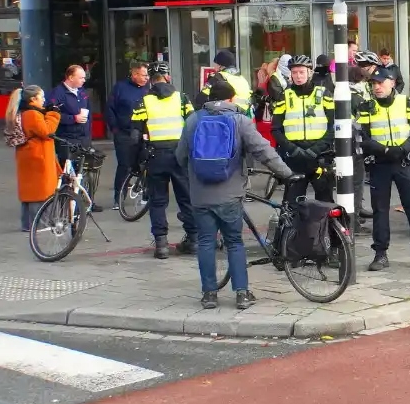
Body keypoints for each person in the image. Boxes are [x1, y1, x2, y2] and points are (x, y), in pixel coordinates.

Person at [177, 78, 297, 311]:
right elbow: (263, 150)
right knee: (234, 242)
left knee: (205, 242)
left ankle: (209, 295)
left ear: (210, 98)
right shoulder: (240, 121)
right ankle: (242, 294)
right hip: (230, 195)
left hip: (201, 195)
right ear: (231, 99)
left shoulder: (193, 120)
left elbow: (180, 157)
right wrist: (286, 173)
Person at [358, 66, 410, 271]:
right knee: (380, 210)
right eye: (374, 84)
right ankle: (380, 254)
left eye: (381, 83)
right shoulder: (366, 106)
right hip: (380, 164)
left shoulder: (406, 102)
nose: (377, 87)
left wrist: (400, 149)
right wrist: (384, 149)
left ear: (392, 83)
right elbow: (362, 138)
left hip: (403, 161)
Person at [130, 63, 196, 258]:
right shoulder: (182, 98)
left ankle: (161, 245)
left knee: (157, 201)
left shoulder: (144, 101)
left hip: (155, 156)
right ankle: (194, 240)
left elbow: (134, 137)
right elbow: (193, 126)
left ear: (151, 79)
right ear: (167, 77)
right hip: (179, 155)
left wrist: (135, 162)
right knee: (186, 198)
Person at [271, 55, 335, 204]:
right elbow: (276, 129)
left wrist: (316, 149)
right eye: (294, 72)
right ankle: (291, 228)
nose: (298, 76)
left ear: (310, 72)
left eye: (301, 72)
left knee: (325, 204)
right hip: (295, 158)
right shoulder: (284, 96)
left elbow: (333, 127)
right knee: (291, 204)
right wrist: (293, 150)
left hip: (319, 157)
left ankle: (325, 228)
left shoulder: (323, 93)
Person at [47, 65, 102, 211]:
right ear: (70, 77)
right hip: (67, 139)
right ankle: (67, 203)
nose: (84, 80)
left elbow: (88, 114)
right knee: (68, 172)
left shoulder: (82, 92)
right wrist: (73, 118)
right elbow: (52, 116)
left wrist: (88, 134)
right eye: (81, 77)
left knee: (86, 171)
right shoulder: (57, 93)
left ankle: (87, 201)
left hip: (83, 138)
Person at [10, 86, 61, 232]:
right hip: (38, 157)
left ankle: (28, 224)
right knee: (41, 192)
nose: (44, 99)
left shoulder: (25, 112)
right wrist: (53, 114)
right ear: (33, 99)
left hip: (28, 156)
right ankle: (40, 224)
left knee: (29, 193)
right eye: (41, 97)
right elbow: (46, 131)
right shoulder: (32, 114)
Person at [106, 62, 151, 211]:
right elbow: (110, 109)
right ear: (135, 74)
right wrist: (115, 129)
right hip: (124, 133)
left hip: (143, 133)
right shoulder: (120, 88)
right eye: (144, 75)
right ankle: (118, 198)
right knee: (125, 166)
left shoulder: (149, 89)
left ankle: (145, 195)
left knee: (145, 165)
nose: (147, 78)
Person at [351, 50, 381, 220]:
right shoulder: (360, 87)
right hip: (356, 138)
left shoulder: (367, 84)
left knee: (359, 176)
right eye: (373, 67)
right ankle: (354, 214)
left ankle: (358, 207)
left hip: (360, 136)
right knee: (356, 177)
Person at [194, 49, 252, 115]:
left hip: (227, 114)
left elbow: (201, 98)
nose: (214, 67)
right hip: (245, 115)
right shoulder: (242, 79)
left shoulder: (218, 77)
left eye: (215, 64)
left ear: (220, 66)